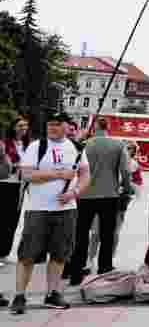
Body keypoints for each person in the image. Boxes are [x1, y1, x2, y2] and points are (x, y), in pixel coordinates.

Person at [10, 112, 91, 314]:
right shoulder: (37, 146)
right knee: (27, 254)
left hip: (66, 210)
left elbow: (85, 174)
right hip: (38, 209)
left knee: (60, 254)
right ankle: (19, 295)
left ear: (67, 126)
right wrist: (58, 174)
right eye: (49, 124)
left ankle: (52, 293)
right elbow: (26, 174)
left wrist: (75, 192)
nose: (52, 128)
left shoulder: (76, 147)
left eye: (57, 124)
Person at [67, 118, 132, 285]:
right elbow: (125, 170)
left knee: (81, 235)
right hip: (108, 195)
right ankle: (105, 268)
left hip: (85, 195)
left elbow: (73, 169)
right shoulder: (118, 145)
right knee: (107, 235)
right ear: (108, 127)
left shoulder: (84, 145)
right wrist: (126, 188)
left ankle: (76, 272)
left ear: (94, 127)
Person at [0, 117, 31, 269]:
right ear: (13, 127)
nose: (23, 128)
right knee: (2, 219)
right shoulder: (4, 144)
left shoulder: (28, 145)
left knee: (13, 221)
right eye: (20, 125)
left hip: (20, 185)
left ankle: (5, 253)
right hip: (4, 184)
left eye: (25, 126)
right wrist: (15, 165)